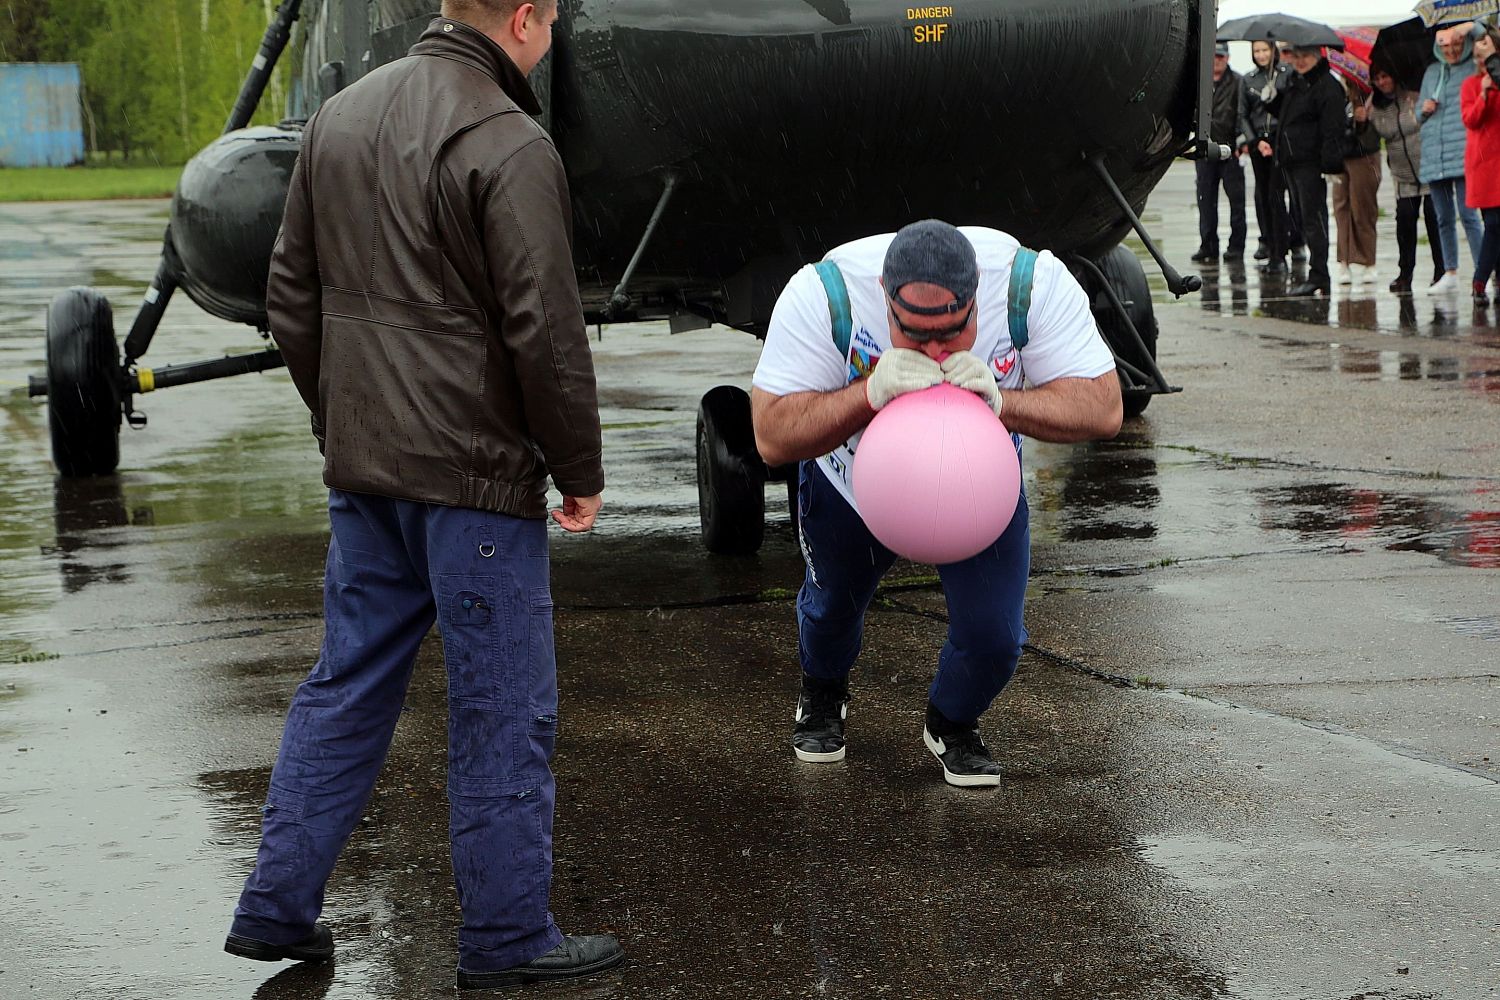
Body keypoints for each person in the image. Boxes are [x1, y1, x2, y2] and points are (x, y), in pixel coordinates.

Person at [223, 1, 624, 990]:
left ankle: (276, 907)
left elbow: (289, 297)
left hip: (369, 479)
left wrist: (346, 421)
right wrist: (578, 469)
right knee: (502, 711)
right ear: (525, 18)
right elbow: (544, 328)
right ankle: (506, 937)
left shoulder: (341, 119)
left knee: (345, 687)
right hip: (474, 488)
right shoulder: (508, 139)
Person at [749, 220, 1122, 787]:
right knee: (831, 611)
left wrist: (1003, 402)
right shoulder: (825, 293)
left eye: (951, 333)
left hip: (978, 482)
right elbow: (772, 435)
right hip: (853, 482)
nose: (935, 352)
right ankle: (822, 692)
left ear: (977, 302)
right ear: (883, 296)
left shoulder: (1030, 283)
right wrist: (868, 392)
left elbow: (1103, 408)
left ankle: (952, 722)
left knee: (996, 636)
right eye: (915, 336)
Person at [1263, 45, 1348, 297]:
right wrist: (1272, 97)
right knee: (1303, 217)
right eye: (1296, 56)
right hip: (1292, 160)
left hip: (1310, 163)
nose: (1299, 61)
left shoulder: (1326, 86)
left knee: (1314, 220)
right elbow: (1287, 113)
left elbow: (1333, 128)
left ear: (1318, 56)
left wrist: (1330, 165)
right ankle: (1317, 273)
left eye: (1305, 56)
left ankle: (1319, 274)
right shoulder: (1297, 81)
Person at [1419, 24, 1487, 295]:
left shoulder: (1473, 68)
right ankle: (1450, 271)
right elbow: (1417, 114)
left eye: (1456, 45)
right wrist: (1424, 109)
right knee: (1443, 218)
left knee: (1469, 216)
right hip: (1435, 153)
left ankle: (1484, 271)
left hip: (1463, 152)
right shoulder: (1433, 72)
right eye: (1446, 47)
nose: (1451, 51)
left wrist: (1469, 26)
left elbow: (1487, 37)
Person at [1369, 62, 1446, 293]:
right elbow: (1384, 132)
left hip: (1428, 168)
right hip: (1402, 174)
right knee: (1405, 224)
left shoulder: (1414, 96)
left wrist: (1423, 113)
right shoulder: (1374, 106)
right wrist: (1363, 120)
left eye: (1385, 76)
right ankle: (1405, 273)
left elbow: (1423, 121)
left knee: (1435, 221)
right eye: (1377, 78)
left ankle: (1441, 271)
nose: (1382, 82)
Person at [1192, 42, 1254, 264]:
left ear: (1227, 58)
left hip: (1230, 151)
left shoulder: (1238, 82)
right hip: (1205, 151)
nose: (1216, 60)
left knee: (1236, 202)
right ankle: (1208, 245)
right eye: (1213, 56)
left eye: (1220, 56)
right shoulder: (1199, 83)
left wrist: (1241, 142)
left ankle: (1236, 247)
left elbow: (1243, 114)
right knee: (1205, 201)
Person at [1244, 40, 1303, 272]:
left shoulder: (1287, 74)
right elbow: (1243, 114)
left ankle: (1292, 243)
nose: (1260, 55)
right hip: (1259, 144)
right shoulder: (1248, 79)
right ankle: (1273, 246)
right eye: (1256, 51)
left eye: (1264, 50)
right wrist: (1255, 141)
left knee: (1283, 196)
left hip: (1282, 141)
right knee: (1266, 197)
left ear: (1273, 51)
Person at [1462, 21, 1500, 304]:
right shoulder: (1471, 85)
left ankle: (1486, 279)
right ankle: (1480, 279)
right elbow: (1471, 120)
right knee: (1494, 223)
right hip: (1485, 164)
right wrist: (1484, 95)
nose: (1480, 62)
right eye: (1476, 58)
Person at [1333, 77, 1383, 287]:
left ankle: (1368, 261)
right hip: (1339, 152)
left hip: (1364, 154)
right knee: (1340, 207)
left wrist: (1362, 122)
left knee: (1363, 208)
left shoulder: (1369, 88)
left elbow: (1379, 125)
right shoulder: (1334, 85)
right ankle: (1344, 261)